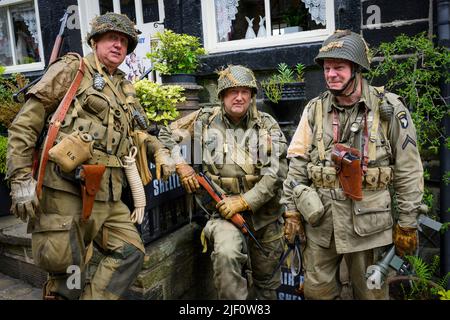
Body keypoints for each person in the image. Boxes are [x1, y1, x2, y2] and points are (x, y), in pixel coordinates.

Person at [6, 12, 175, 300]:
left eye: (124, 41)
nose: (118, 45)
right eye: (111, 38)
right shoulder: (73, 69)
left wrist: (160, 150)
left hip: (108, 193)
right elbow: (25, 123)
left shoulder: (124, 86)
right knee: (67, 275)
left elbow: (139, 133)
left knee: (130, 251)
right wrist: (20, 178)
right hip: (66, 189)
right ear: (95, 41)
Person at [280, 30, 424, 300]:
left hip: (368, 224)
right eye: (327, 67)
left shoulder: (389, 108)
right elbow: (297, 163)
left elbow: (409, 169)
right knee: (316, 293)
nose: (330, 74)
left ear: (357, 69)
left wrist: (407, 222)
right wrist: (291, 211)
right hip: (321, 221)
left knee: (370, 295)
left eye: (339, 67)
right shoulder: (314, 109)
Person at [158, 65, 288, 299]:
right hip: (223, 214)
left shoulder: (267, 125)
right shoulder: (204, 120)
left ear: (252, 95)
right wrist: (182, 165)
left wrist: (244, 201)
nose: (239, 97)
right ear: (221, 96)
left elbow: (276, 174)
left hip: (265, 217)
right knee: (226, 259)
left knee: (267, 285)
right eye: (232, 92)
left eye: (244, 92)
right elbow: (165, 134)